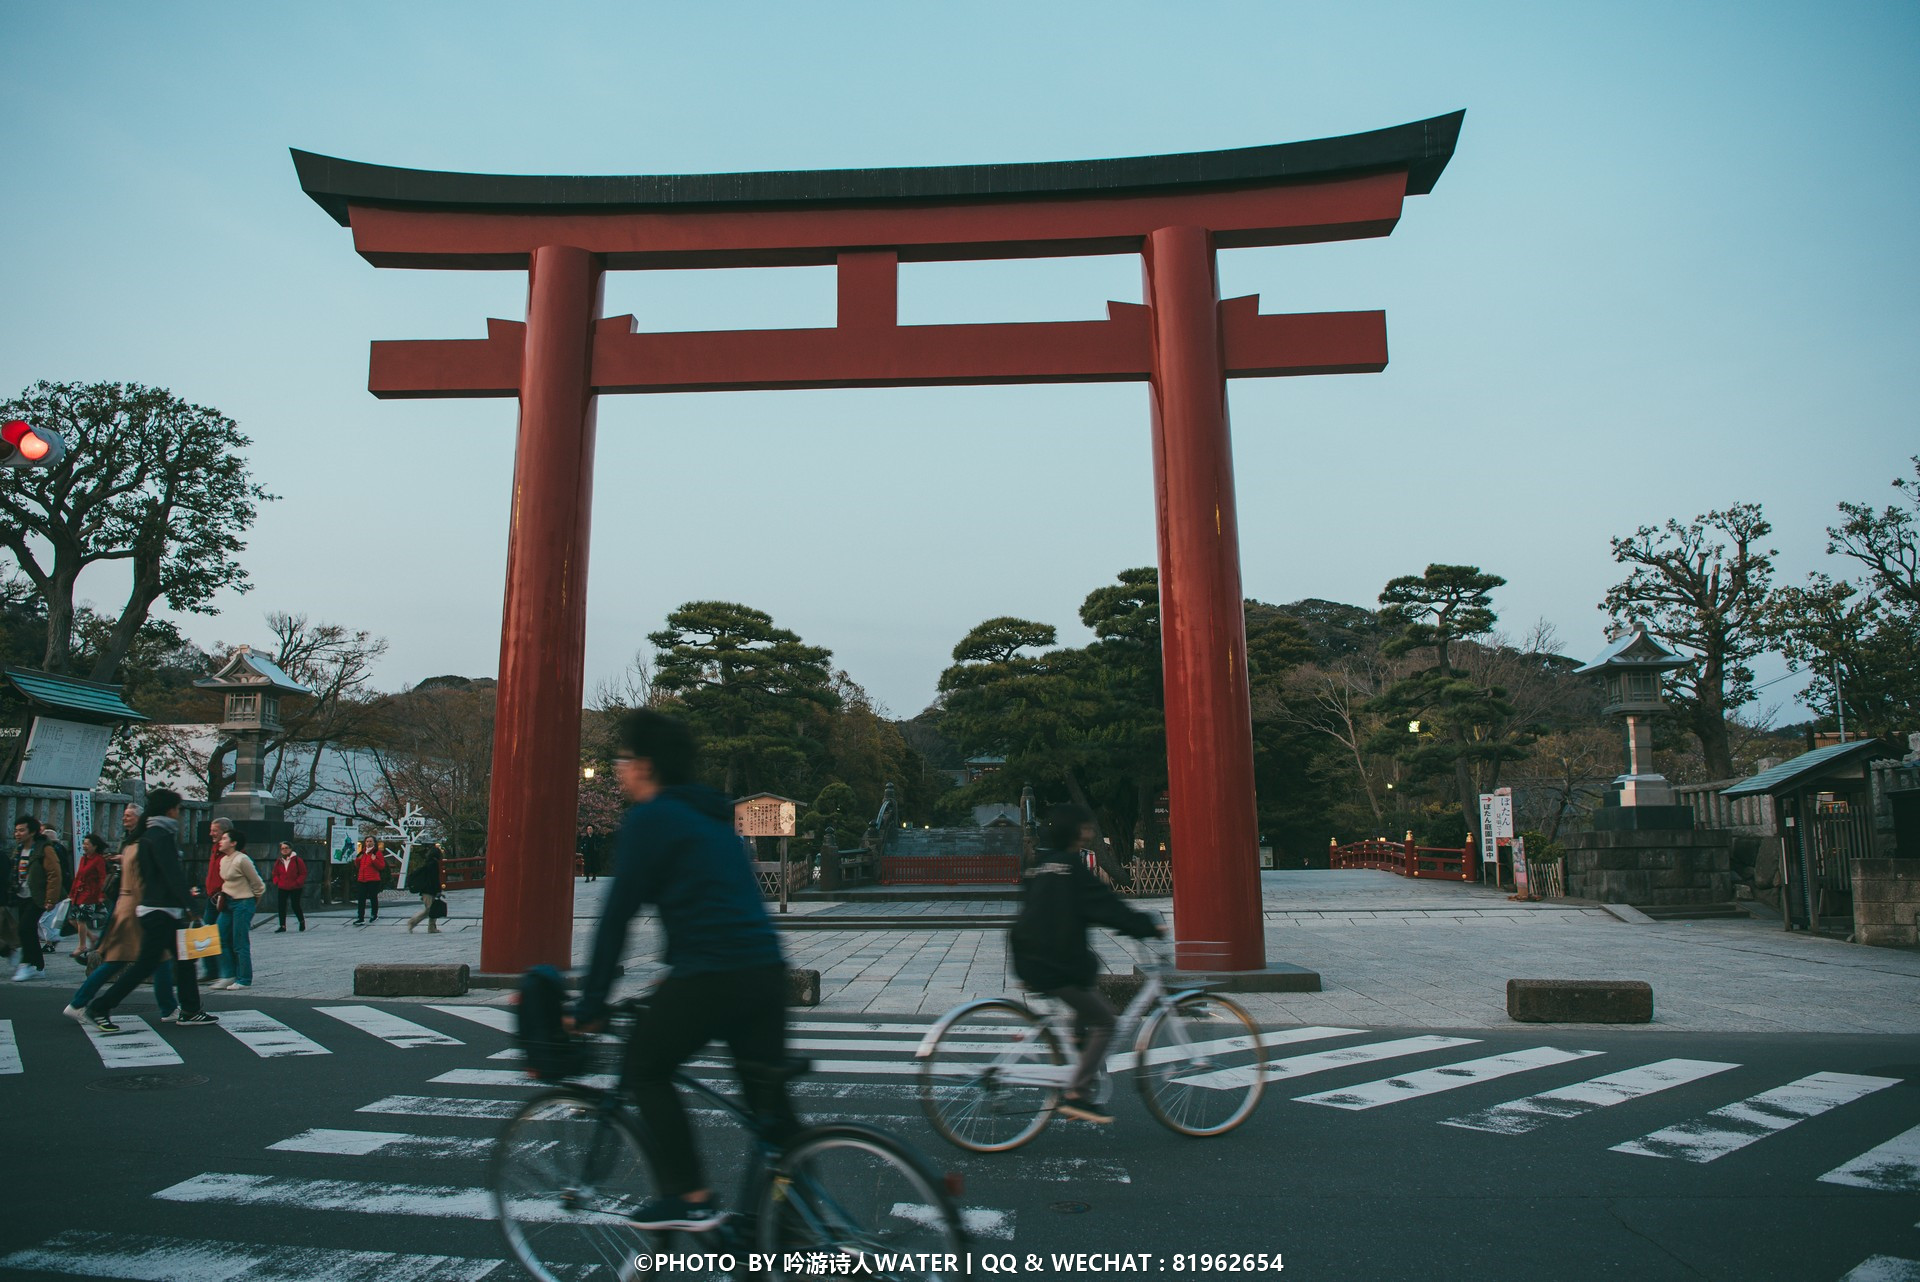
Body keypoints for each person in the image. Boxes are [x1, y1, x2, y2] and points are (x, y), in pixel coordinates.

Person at [571, 709, 798, 1232]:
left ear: (645, 765)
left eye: (623, 759)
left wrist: (590, 1003)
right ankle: (801, 1232)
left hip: (712, 973)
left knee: (644, 1068)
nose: (619, 770)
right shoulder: (713, 814)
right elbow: (711, 896)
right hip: (764, 972)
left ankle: (688, 1193)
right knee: (771, 1114)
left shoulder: (650, 819)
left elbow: (616, 919)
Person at [1007, 802, 1162, 1124]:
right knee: (1107, 1022)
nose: (1090, 832)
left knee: (1089, 975)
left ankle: (1078, 1042)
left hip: (1030, 956)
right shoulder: (1072, 868)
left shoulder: (1039, 864)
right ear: (1077, 832)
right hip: (1054, 964)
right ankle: (1077, 1092)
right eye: (1086, 827)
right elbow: (1106, 907)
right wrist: (1146, 926)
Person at [82, 788, 215, 1031]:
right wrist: (192, 905)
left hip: (160, 910)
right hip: (160, 911)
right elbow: (171, 874)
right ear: (169, 809)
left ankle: (190, 1009)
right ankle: (99, 1007)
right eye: (177, 808)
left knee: (185, 959)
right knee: (146, 965)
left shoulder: (149, 835)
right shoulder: (160, 835)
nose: (178, 813)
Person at [65, 807, 178, 1021]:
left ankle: (169, 1008)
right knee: (121, 960)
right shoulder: (142, 845)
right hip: (137, 909)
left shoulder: (131, 844)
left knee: (158, 957)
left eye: (129, 816)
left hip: (129, 907)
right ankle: (80, 1002)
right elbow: (143, 882)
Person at [8, 815, 65, 982]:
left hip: (38, 897)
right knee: (30, 930)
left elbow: (54, 875)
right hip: (22, 895)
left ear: (31, 832)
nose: (17, 834)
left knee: (24, 928)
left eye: (21, 830)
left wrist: (50, 899)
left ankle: (26, 964)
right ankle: (38, 967)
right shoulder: (19, 849)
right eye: (16, 830)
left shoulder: (44, 849)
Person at [209, 828, 265, 990]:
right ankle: (228, 975)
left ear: (234, 843)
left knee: (239, 942)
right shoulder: (223, 860)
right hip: (227, 902)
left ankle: (244, 979)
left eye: (225, 838)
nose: (221, 840)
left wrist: (253, 901)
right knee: (220, 937)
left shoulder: (242, 859)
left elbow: (258, 884)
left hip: (243, 903)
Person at [69, 833, 112, 962]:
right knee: (72, 919)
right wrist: (72, 893)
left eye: (88, 844)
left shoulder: (98, 860)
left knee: (81, 919)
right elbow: (78, 877)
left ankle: (82, 946)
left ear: (95, 846)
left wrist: (101, 895)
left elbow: (102, 878)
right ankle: (92, 937)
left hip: (90, 894)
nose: (84, 846)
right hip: (79, 893)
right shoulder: (84, 859)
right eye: (84, 843)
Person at [406, 845, 443, 933]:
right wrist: (438, 890)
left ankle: (432, 928)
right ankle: (412, 922)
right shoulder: (433, 864)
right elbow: (434, 879)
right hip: (429, 890)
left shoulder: (428, 863)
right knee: (430, 910)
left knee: (432, 909)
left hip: (426, 890)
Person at [271, 842, 307, 932]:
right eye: (282, 848)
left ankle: (301, 921)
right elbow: (275, 873)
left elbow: (303, 873)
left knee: (295, 905)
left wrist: (298, 882)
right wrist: (277, 881)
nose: (285, 850)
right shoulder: (279, 861)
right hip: (282, 886)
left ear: (291, 849)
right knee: (281, 906)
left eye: (286, 848)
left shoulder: (297, 860)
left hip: (295, 887)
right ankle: (282, 925)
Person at [353, 836, 385, 924]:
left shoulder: (377, 853)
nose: (368, 843)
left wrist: (374, 860)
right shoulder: (362, 853)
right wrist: (357, 860)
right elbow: (358, 865)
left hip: (373, 879)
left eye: (370, 841)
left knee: (373, 898)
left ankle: (374, 915)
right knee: (361, 899)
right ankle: (360, 917)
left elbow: (381, 866)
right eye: (367, 841)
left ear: (374, 842)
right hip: (362, 879)